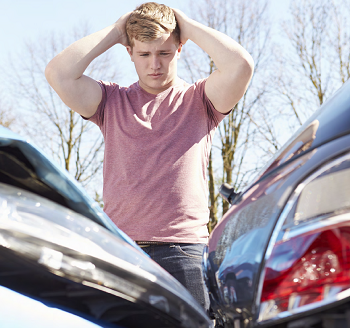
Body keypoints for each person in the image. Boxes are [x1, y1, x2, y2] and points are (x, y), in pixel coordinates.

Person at [45, 2, 254, 312]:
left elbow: (241, 66)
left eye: (164, 53)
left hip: (184, 254)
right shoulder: (111, 101)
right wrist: (116, 32)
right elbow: (59, 74)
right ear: (129, 52)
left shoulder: (201, 100)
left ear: (180, 48)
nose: (154, 64)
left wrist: (188, 26)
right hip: (121, 252)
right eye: (144, 54)